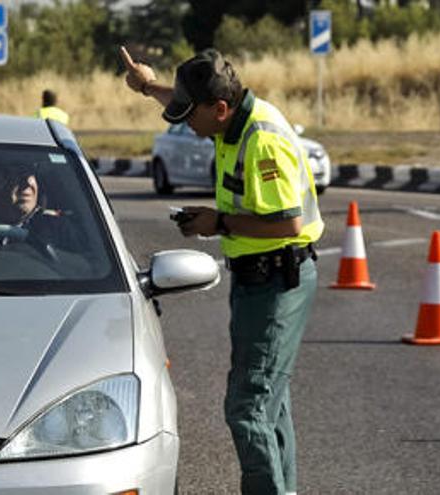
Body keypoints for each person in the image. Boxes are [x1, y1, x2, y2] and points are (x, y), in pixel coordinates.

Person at [120, 46, 324, 495]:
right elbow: (185, 103)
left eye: (190, 115)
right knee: (270, 402)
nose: (187, 126)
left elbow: (289, 222)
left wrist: (219, 223)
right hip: (258, 278)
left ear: (221, 108)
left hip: (277, 280)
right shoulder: (228, 123)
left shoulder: (261, 139)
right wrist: (146, 85)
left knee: (248, 408)